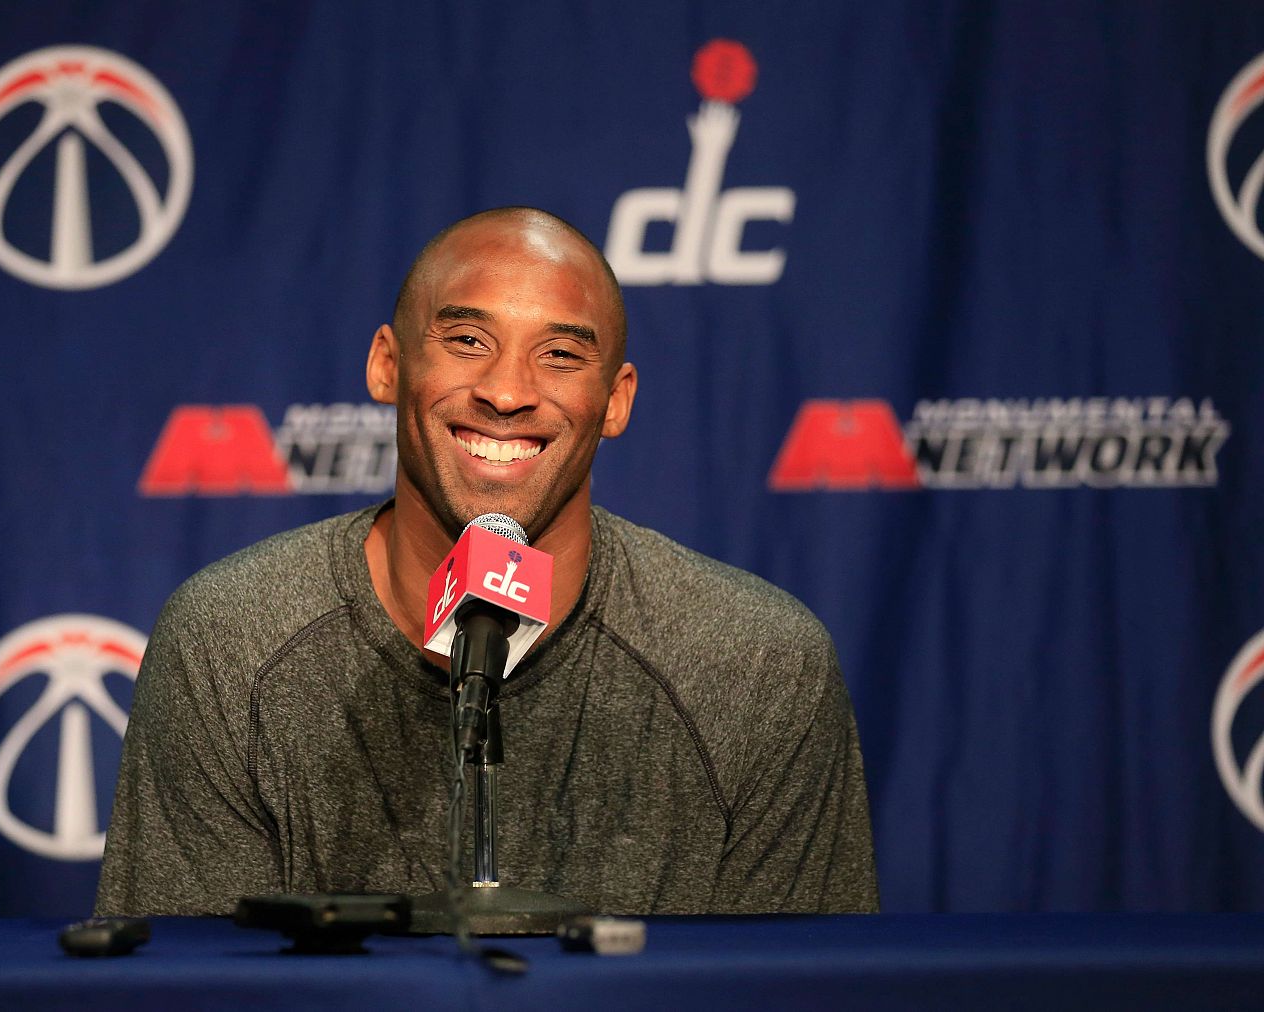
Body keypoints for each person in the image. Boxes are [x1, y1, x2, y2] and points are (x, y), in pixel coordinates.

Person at [96, 207, 878, 916]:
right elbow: (186, 987)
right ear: (385, 365)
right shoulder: (229, 640)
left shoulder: (758, 662)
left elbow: (796, 986)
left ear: (617, 401)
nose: (507, 391)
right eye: (468, 341)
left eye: (562, 354)